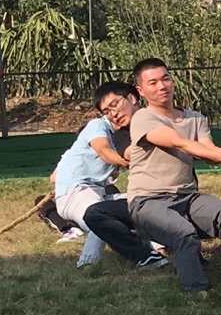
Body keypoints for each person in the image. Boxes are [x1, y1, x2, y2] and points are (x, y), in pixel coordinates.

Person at [125, 58, 221, 294]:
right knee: (182, 232)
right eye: (153, 82)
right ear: (141, 91)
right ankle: (198, 292)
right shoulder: (143, 118)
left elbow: (208, 150)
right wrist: (219, 154)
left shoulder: (195, 118)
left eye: (165, 79)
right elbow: (178, 142)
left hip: (187, 197)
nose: (162, 86)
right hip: (147, 201)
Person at [52, 81, 166, 270]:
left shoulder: (130, 130)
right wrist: (130, 161)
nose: (113, 113)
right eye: (107, 110)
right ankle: (88, 264)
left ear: (133, 99)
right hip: (76, 191)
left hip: (99, 191)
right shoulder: (98, 125)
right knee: (98, 217)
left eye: (115, 105)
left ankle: (160, 248)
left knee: (144, 205)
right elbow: (104, 151)